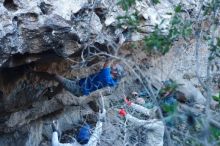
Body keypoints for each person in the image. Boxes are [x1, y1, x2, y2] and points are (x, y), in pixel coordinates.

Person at [34, 61, 125, 96]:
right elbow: (117, 76)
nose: (113, 66)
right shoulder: (113, 80)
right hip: (80, 85)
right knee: (63, 84)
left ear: (115, 72)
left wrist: (119, 44)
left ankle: (34, 72)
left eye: (114, 67)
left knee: (55, 76)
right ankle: (51, 95)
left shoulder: (106, 77)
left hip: (78, 88)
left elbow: (108, 61)